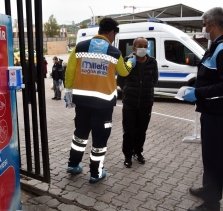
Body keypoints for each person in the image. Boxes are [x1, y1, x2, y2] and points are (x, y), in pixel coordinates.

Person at [182, 7, 223, 211]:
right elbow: (211, 76)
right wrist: (195, 91)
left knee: (214, 158)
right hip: (210, 111)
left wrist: (197, 92)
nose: (203, 28)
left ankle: (211, 205)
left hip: (218, 113)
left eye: (204, 24)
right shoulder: (216, 45)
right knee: (209, 156)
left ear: (213, 25)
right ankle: (208, 189)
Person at [64, 17, 135, 183]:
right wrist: (130, 63)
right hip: (103, 106)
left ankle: (73, 165)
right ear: (111, 33)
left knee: (80, 135)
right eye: (114, 36)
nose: (113, 39)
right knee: (100, 138)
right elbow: (124, 72)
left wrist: (69, 92)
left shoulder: (80, 47)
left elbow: (70, 71)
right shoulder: (114, 52)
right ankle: (95, 173)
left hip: (82, 102)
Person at [117, 37, 158, 168]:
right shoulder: (127, 61)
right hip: (130, 102)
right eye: (140, 45)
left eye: (145, 46)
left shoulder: (152, 62)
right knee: (128, 131)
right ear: (134, 48)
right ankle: (127, 155)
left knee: (141, 130)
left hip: (146, 103)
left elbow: (154, 80)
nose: (143, 48)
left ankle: (138, 152)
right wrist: (128, 90)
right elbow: (120, 81)